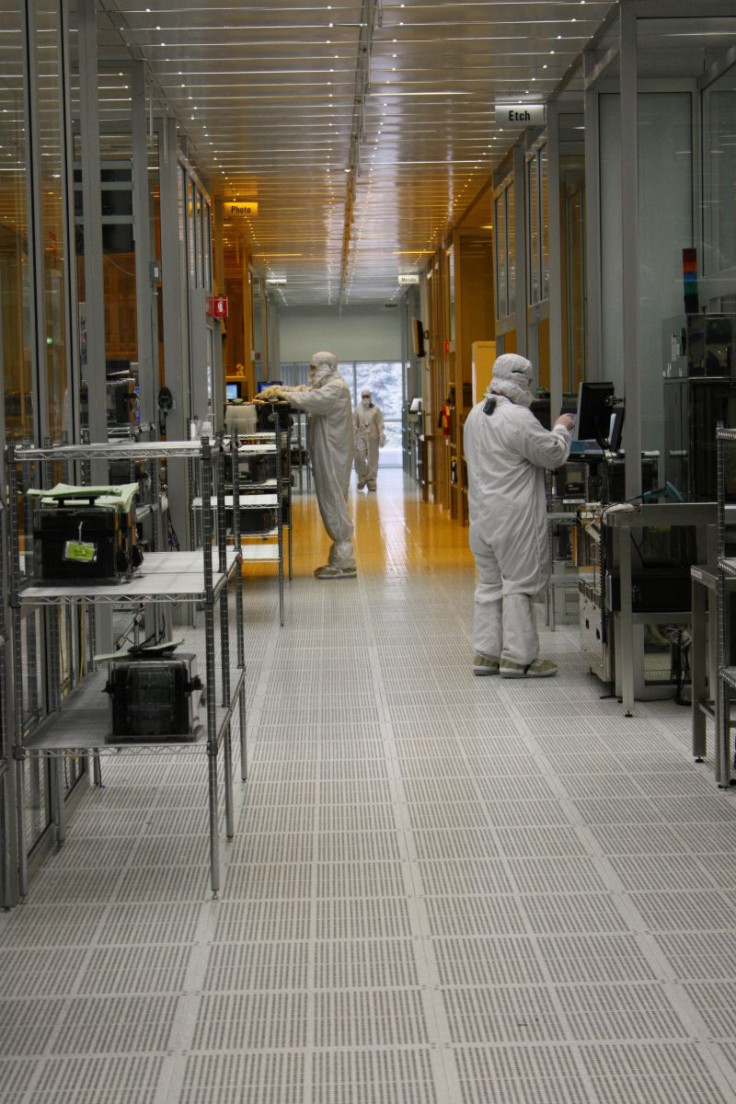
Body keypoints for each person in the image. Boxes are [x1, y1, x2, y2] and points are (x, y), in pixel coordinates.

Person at [463, 353, 574, 678]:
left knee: (489, 584)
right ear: (522, 383)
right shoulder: (516, 417)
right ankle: (520, 658)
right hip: (512, 517)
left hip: (481, 516)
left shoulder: (475, 415)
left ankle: (486, 654)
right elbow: (553, 455)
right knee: (518, 585)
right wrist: (561, 428)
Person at [258, 351, 357, 579]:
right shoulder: (327, 386)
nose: (311, 372)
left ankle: (345, 561)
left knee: (333, 500)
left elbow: (313, 400)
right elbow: (305, 392)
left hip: (333, 454)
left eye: (314, 368)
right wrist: (280, 391)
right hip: (327, 452)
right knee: (330, 501)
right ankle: (339, 558)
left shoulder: (337, 388)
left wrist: (281, 394)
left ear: (326, 367)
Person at [353, 388, 385, 491]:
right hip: (361, 437)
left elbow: (380, 424)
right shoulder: (357, 409)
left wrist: (381, 437)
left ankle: (371, 481)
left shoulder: (376, 409)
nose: (365, 398)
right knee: (359, 457)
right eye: (364, 396)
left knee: (373, 460)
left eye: (367, 396)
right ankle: (362, 478)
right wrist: (352, 437)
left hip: (373, 437)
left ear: (370, 397)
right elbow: (354, 425)